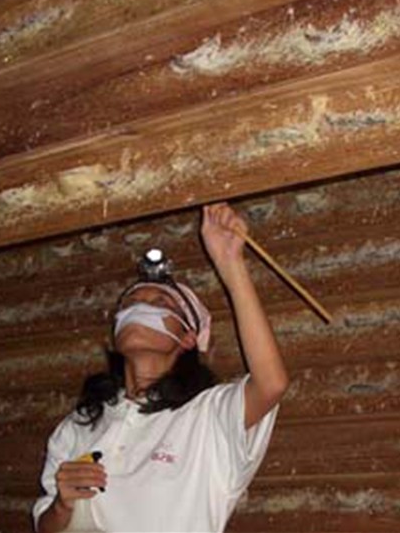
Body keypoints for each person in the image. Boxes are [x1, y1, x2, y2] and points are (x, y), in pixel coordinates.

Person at [33, 202, 289, 533]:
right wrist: (62, 504)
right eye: (130, 303)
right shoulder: (78, 425)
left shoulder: (207, 417)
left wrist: (231, 263)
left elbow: (271, 383)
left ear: (188, 338)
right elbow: (46, 528)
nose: (139, 308)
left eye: (160, 303)